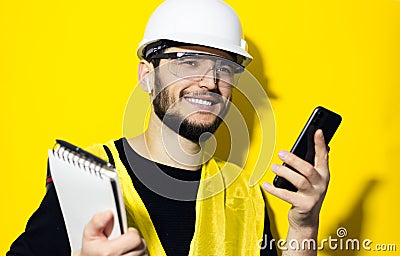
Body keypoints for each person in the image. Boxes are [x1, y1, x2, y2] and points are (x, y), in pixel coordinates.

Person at [7, 0, 330, 255]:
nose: (211, 82)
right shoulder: (84, 178)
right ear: (146, 75)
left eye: (225, 68)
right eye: (189, 62)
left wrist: (303, 226)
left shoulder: (244, 197)